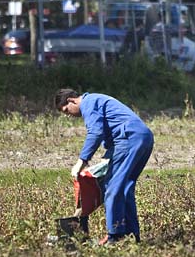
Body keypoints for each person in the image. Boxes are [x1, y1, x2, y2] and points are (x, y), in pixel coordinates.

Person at [55, 88, 154, 245]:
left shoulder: (88, 103)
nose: (69, 115)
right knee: (125, 188)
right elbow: (112, 130)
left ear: (71, 100)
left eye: (67, 111)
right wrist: (106, 159)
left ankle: (115, 236)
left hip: (128, 138)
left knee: (112, 187)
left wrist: (81, 161)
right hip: (143, 137)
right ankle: (132, 236)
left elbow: (95, 132)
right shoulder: (97, 100)